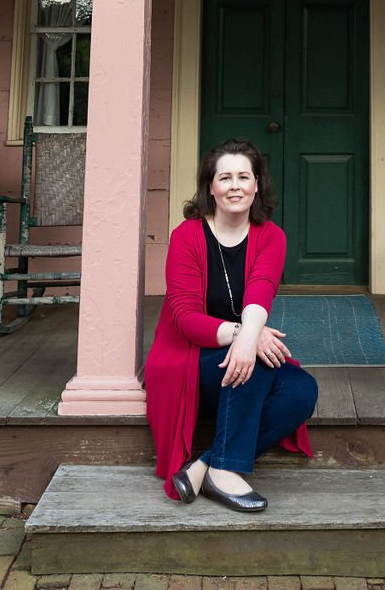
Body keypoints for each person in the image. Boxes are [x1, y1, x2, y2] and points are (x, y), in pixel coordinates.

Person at [145, 138, 318, 512]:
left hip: (232, 355)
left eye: (244, 176)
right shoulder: (186, 236)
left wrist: (248, 334)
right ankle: (225, 473)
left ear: (257, 185)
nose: (235, 186)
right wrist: (244, 336)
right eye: (225, 177)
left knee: (301, 391)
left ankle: (209, 463)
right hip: (186, 357)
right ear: (211, 186)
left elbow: (261, 292)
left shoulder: (271, 236)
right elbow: (187, 320)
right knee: (252, 361)